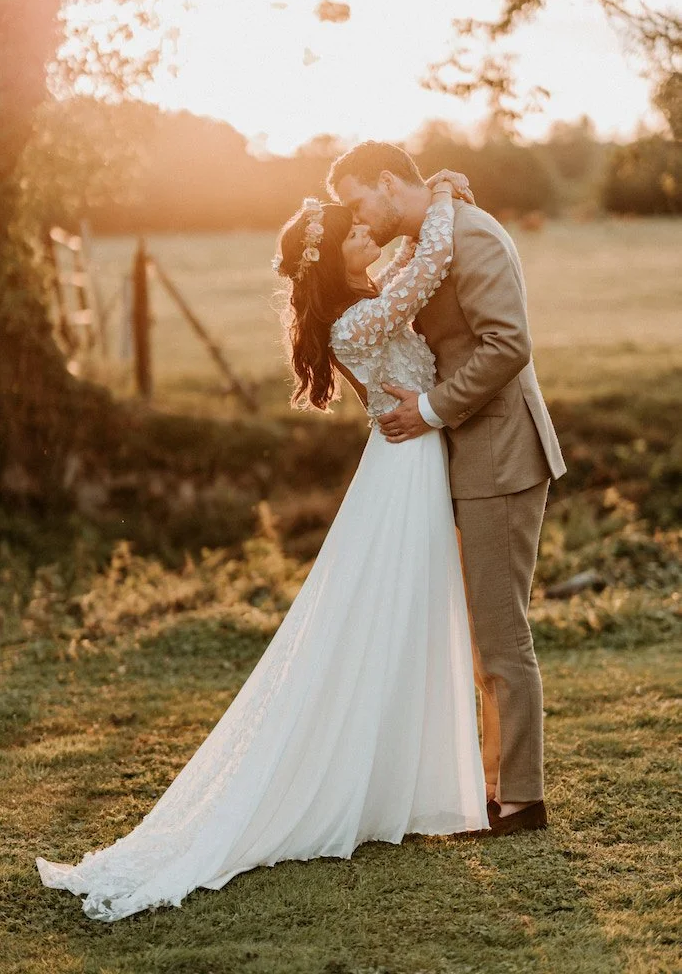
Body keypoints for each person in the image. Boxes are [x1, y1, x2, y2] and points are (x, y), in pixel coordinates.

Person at [35, 179, 489, 923]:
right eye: (356, 234)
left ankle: (402, 784)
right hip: (404, 475)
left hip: (412, 464)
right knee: (394, 615)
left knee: (407, 618)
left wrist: (415, 213)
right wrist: (439, 192)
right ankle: (373, 785)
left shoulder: (365, 298)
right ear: (333, 254)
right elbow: (432, 255)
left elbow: (413, 262)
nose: (369, 237)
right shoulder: (355, 323)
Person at [328, 142, 567, 836]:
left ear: (383, 181)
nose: (359, 219)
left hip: (500, 454)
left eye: (358, 201)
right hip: (462, 457)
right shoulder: (433, 234)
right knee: (478, 637)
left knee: (498, 635)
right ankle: (492, 787)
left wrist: (429, 409)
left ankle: (520, 800)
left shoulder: (470, 234)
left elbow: (506, 344)